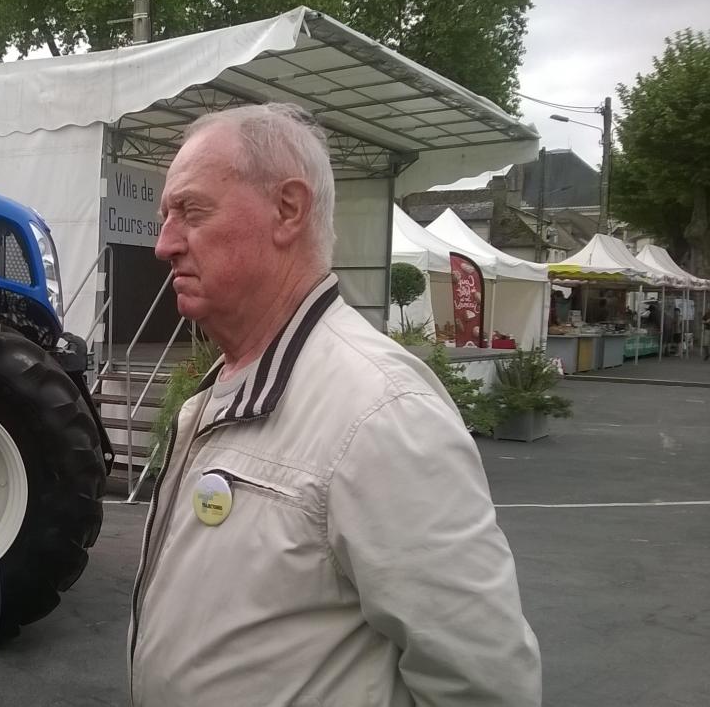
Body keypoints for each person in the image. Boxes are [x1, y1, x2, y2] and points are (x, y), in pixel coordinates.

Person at [130, 103, 541, 706]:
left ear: (287, 211)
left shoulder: (382, 409)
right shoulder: (231, 382)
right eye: (166, 215)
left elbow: (484, 684)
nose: (163, 244)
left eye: (191, 211)